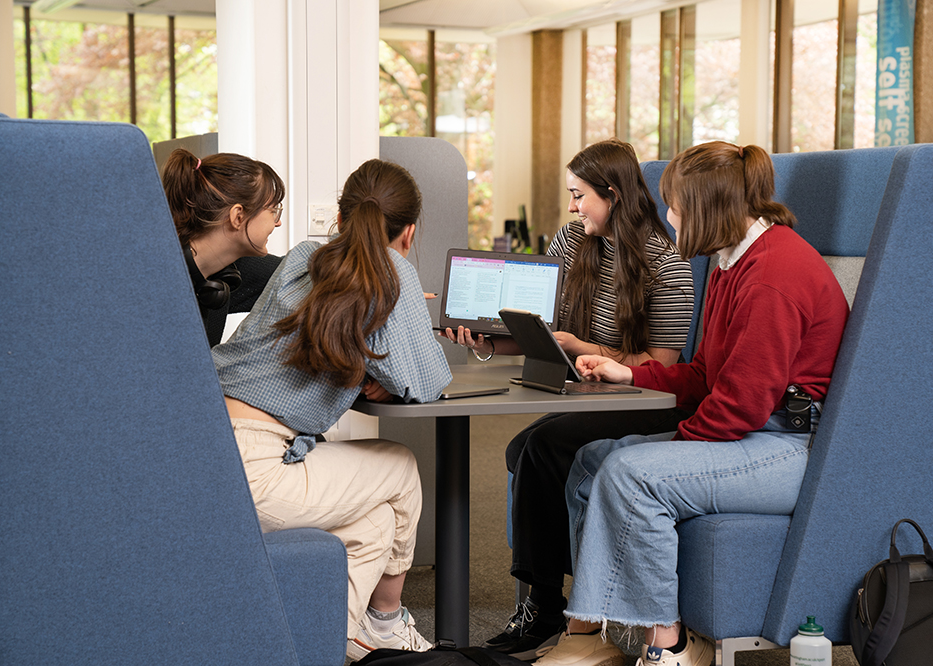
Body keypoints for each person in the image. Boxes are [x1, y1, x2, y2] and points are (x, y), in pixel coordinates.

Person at [534, 141, 849, 666]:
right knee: (592, 461)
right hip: (758, 431)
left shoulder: (774, 274)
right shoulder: (732, 262)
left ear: (705, 209)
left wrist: (663, 449)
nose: (669, 216)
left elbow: (741, 406)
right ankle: (589, 632)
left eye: (675, 205)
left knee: (631, 472)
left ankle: (671, 646)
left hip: (792, 445)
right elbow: (706, 375)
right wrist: (630, 372)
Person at [454, 140, 695, 660]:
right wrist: (490, 340)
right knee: (525, 448)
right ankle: (552, 601)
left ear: (611, 194)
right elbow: (545, 328)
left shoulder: (667, 265)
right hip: (590, 392)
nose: (571, 208)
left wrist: (586, 348)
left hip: (645, 399)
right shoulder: (573, 242)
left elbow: (663, 368)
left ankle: (548, 608)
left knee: (542, 447)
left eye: (579, 195)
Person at [210, 159, 453, 661]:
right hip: (255, 471)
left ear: (340, 219)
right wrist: (383, 368)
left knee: (376, 522)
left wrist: (368, 367)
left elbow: (298, 339)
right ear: (408, 232)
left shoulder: (303, 254)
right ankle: (387, 625)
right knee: (401, 468)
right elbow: (426, 383)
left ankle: (320, 645)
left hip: (208, 445)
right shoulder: (395, 272)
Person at [162, 148, 285, 346]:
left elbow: (305, 271)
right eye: (273, 211)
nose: (278, 223)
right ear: (238, 216)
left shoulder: (231, 271)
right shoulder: (153, 280)